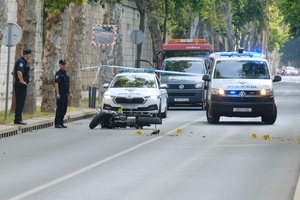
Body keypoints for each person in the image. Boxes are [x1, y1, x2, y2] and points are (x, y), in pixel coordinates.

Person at [13, 48, 32, 125]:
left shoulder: (24, 62)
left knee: (21, 102)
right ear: (27, 55)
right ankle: (17, 119)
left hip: (22, 85)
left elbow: (23, 73)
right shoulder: (21, 62)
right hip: (20, 85)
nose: (30, 56)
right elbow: (19, 72)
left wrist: (28, 79)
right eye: (30, 54)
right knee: (20, 102)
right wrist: (22, 81)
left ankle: (19, 118)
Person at [54, 59, 72, 128]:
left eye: (65, 64)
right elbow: (56, 84)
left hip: (65, 93)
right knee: (60, 108)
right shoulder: (58, 74)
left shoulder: (66, 73)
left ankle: (61, 122)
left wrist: (70, 92)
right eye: (63, 65)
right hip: (61, 93)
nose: (64, 66)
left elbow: (68, 83)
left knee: (64, 109)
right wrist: (57, 93)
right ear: (60, 65)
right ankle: (57, 123)